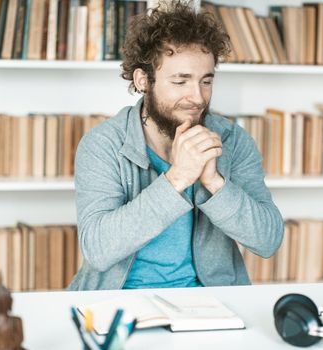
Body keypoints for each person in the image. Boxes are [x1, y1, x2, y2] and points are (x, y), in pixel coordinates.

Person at [69, 1, 284, 291]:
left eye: (206, 81)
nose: (197, 97)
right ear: (143, 80)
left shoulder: (233, 141)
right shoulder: (102, 145)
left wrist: (215, 183)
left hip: (210, 304)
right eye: (181, 82)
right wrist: (177, 179)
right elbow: (98, 249)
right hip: (120, 302)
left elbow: (268, 240)